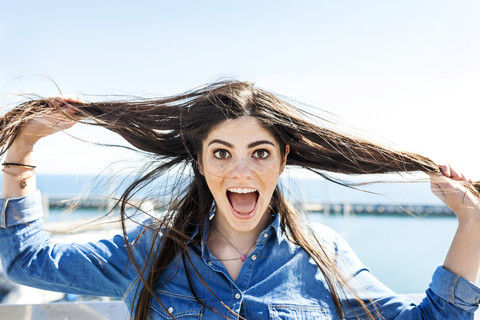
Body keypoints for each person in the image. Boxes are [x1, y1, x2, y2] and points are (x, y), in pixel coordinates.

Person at [0, 80, 479, 319]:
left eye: (260, 152)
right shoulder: (150, 251)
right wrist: (23, 150)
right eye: (222, 152)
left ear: (283, 160)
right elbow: (26, 260)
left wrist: (472, 225)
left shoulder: (320, 255)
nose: (242, 171)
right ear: (200, 161)